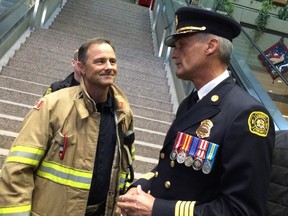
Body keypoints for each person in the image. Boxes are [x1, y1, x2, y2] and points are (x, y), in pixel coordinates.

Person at [117, 6, 275, 216]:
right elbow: (173, 169)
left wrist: (157, 209)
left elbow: (242, 210)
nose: (174, 54)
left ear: (211, 46)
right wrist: (140, 188)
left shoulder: (247, 115)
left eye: (182, 45)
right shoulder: (193, 102)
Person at [0, 38, 135, 216]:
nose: (109, 66)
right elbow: (18, 169)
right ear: (81, 68)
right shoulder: (52, 105)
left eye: (112, 61)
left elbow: (125, 165)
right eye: (100, 61)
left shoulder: (123, 112)